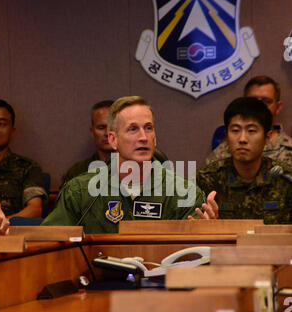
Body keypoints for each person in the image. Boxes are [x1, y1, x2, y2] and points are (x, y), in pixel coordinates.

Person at [39, 96, 217, 233]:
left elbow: (196, 254)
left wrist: (209, 231)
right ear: (113, 140)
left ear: (155, 138)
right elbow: (50, 242)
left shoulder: (184, 192)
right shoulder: (80, 192)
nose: (143, 137)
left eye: (148, 128)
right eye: (133, 129)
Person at [197, 97, 292, 224]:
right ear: (226, 134)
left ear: (267, 138)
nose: (242, 139)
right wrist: (209, 224)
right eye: (235, 130)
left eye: (251, 131)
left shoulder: (285, 178)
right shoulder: (207, 178)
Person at [61, 100, 170, 186]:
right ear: (92, 132)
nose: (107, 133)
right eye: (101, 127)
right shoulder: (77, 174)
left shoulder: (163, 174)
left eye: (112, 127)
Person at [206, 76, 292, 165]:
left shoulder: (289, 150)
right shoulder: (223, 151)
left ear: (278, 107)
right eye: (252, 101)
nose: (258, 107)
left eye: (266, 101)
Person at [0, 98, 47, 218]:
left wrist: (0, 225)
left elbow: (35, 209)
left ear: (12, 132)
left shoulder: (28, 168)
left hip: (11, 233)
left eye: (1, 124)